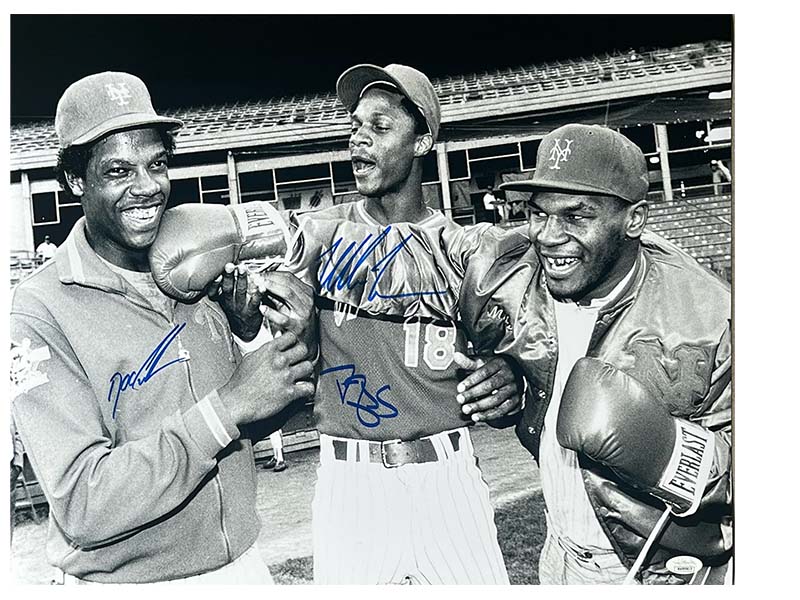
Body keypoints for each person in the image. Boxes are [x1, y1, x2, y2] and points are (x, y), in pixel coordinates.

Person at [149, 63, 521, 585]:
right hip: (353, 488)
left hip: (448, 477)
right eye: (354, 126)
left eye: (380, 126)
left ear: (422, 142)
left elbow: (508, 369)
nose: (358, 140)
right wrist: (249, 320)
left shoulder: (466, 250)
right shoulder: (319, 237)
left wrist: (508, 378)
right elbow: (181, 242)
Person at [10, 72, 315, 584]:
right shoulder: (38, 309)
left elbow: (245, 427)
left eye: (157, 164)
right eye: (118, 170)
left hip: (241, 569)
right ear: (76, 180)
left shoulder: (197, 268)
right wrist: (228, 405)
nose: (147, 186)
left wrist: (279, 339)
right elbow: (83, 505)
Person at [465, 124, 732, 584]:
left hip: (656, 571)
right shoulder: (520, 280)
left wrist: (668, 452)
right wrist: (511, 379)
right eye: (538, 214)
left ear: (635, 220)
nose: (548, 235)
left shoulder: (710, 315)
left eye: (575, 216)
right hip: (558, 553)